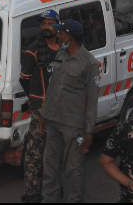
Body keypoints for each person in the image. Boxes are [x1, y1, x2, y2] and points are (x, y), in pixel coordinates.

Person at [41, 19, 99, 203]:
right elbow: (52, 87)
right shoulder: (61, 54)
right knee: (49, 166)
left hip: (74, 126)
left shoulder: (89, 63)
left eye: (61, 33)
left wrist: (89, 130)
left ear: (70, 38)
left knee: (73, 169)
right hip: (53, 120)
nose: (58, 35)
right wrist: (45, 115)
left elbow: (92, 98)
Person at [19, 10, 61, 203]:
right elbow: (24, 79)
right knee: (34, 153)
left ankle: (53, 189)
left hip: (62, 111)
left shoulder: (65, 49)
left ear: (58, 25)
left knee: (57, 153)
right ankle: (31, 192)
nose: (46, 27)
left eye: (50, 23)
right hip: (41, 110)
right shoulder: (33, 51)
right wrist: (34, 99)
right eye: (43, 24)